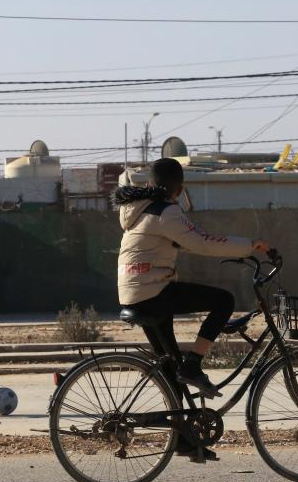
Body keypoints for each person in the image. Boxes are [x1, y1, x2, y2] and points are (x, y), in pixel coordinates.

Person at [113, 157, 271, 399]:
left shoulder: (140, 210)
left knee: (171, 367)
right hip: (151, 290)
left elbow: (183, 242)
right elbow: (202, 242)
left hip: (135, 290)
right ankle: (194, 364)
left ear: (149, 185)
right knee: (223, 301)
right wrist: (249, 246)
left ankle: (180, 421)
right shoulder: (165, 212)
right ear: (179, 189)